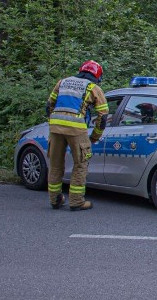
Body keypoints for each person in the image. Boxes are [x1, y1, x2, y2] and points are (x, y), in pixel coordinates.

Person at [46, 60, 109, 211]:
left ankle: (55, 200)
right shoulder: (93, 88)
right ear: (97, 76)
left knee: (55, 165)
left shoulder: (62, 82)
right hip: (77, 129)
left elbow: (49, 105)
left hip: (55, 129)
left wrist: (53, 122)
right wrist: (94, 137)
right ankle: (76, 201)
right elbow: (103, 116)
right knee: (80, 165)